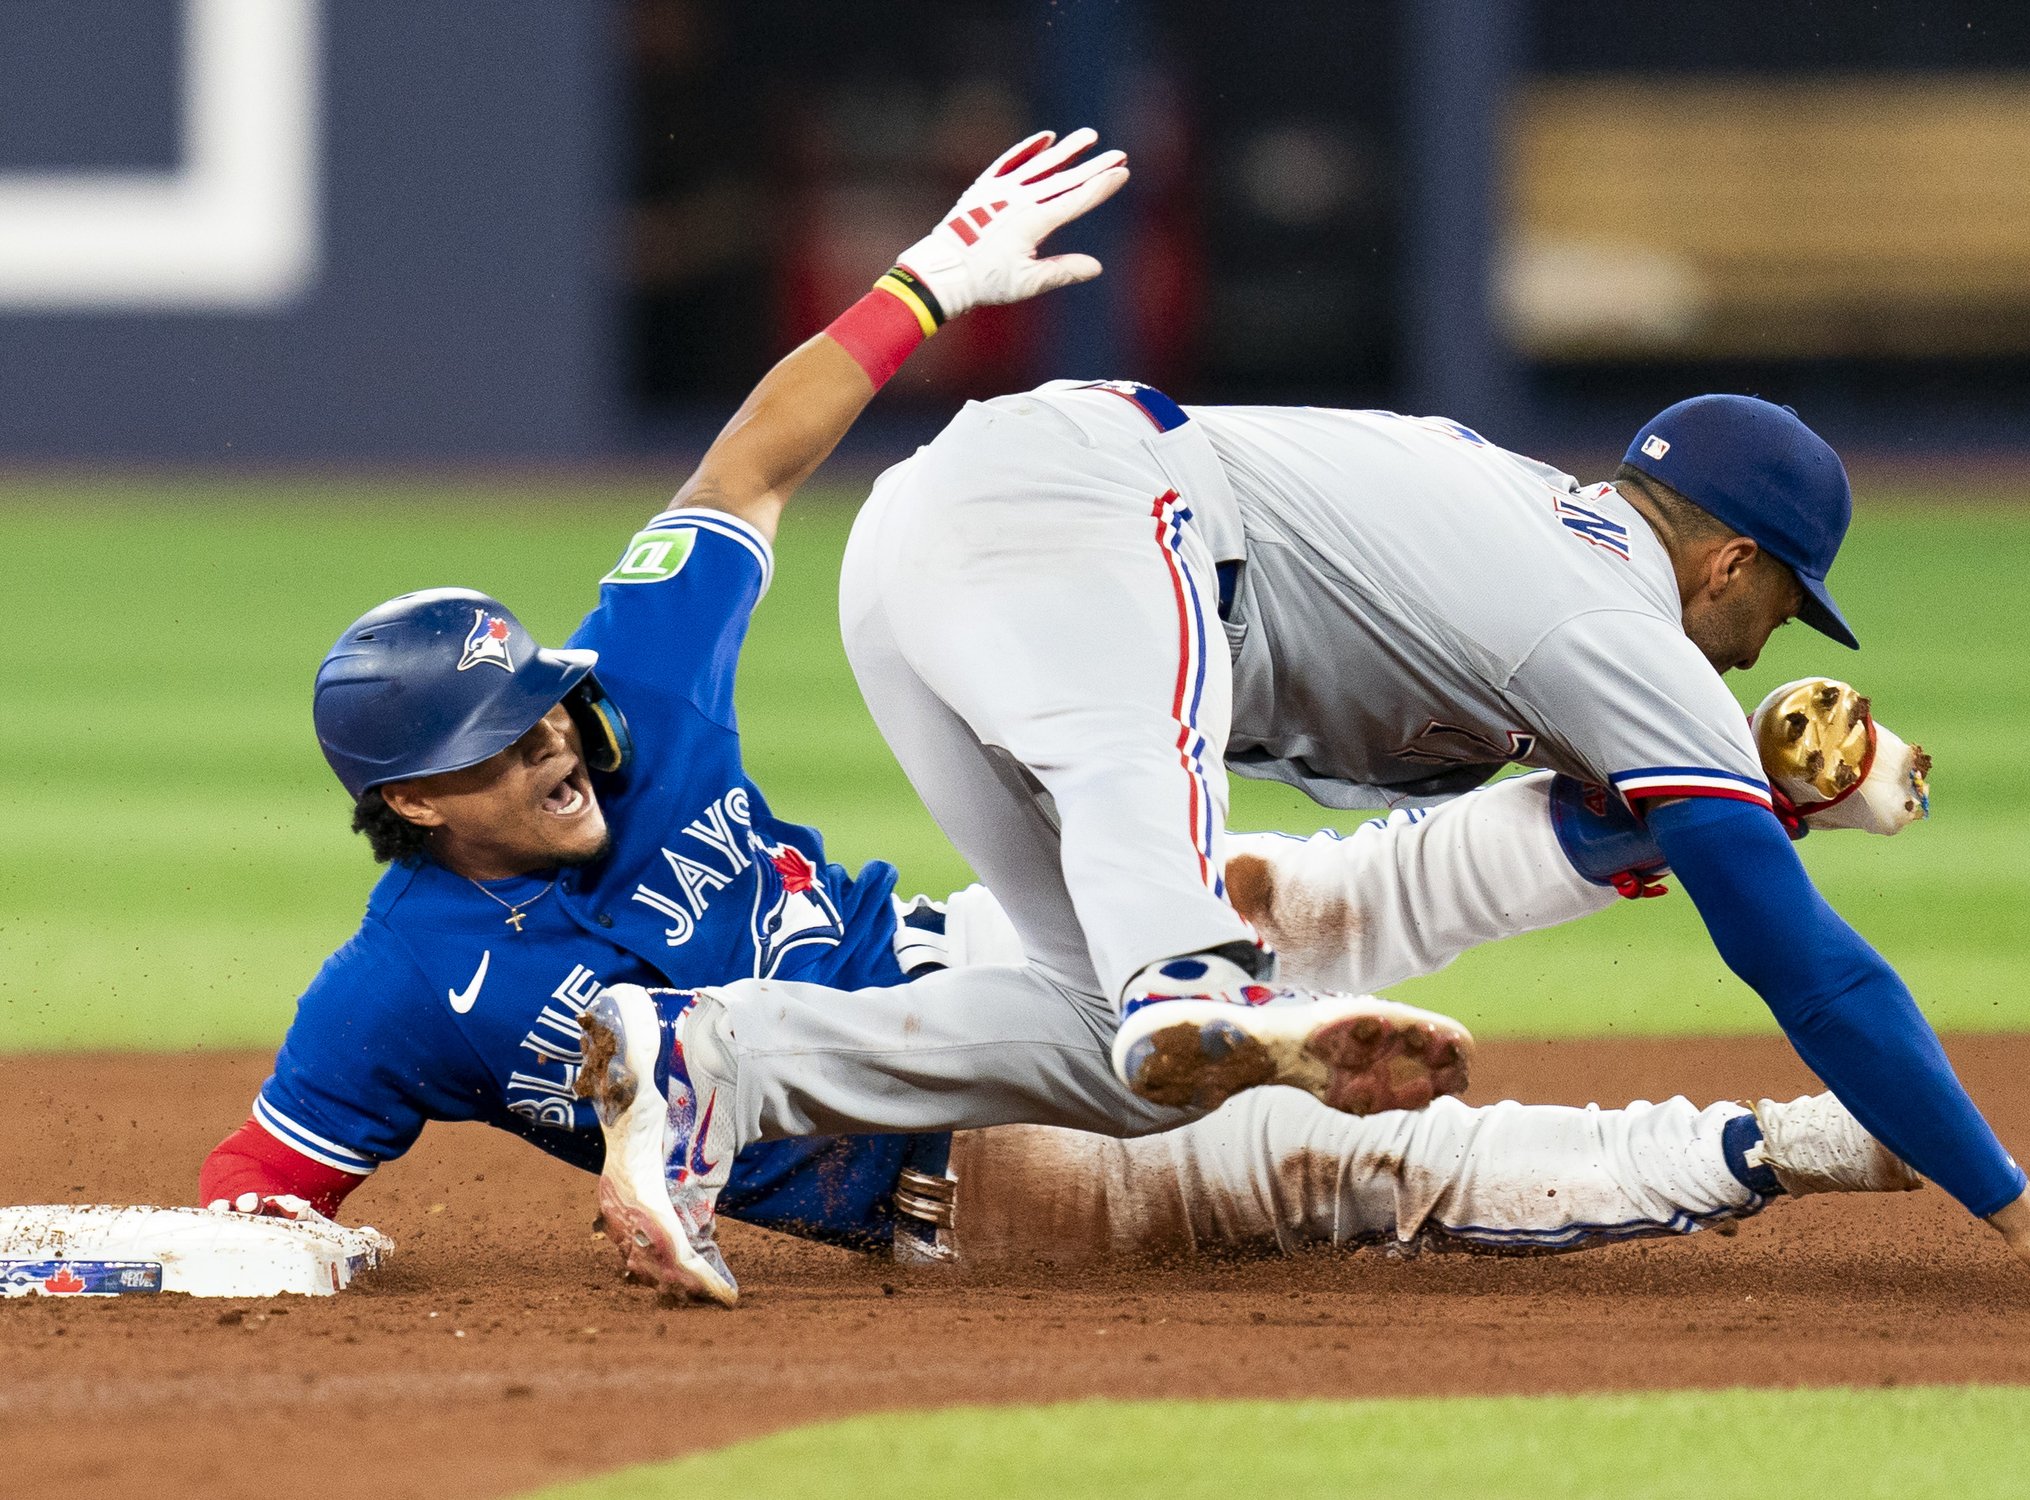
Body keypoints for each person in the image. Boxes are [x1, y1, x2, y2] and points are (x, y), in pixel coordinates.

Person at [197, 130, 1920, 1305]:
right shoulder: (391, 992)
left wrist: (927, 284)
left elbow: (749, 466)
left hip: (966, 954)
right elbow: (251, 1201)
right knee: (1372, 1161)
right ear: (410, 803)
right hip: (967, 1172)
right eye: (499, 747)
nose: (557, 743)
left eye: (544, 709)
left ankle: (1699, 798)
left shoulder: (631, 685)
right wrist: (195, 1256)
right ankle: (1797, 1142)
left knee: (1281, 907)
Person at [838, 375, 2030, 1308]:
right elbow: (1811, 970)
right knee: (1151, 943)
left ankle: (714, 1059)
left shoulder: (1522, 507)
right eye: (1783, 611)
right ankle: (1167, 994)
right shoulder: (1622, 633)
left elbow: (1596, 805)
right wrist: (2029, 1220)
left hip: (928, 525)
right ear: (1730, 564)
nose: (1761, 649)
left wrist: (1747, 793)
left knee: (1089, 1010)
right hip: (1097, 523)